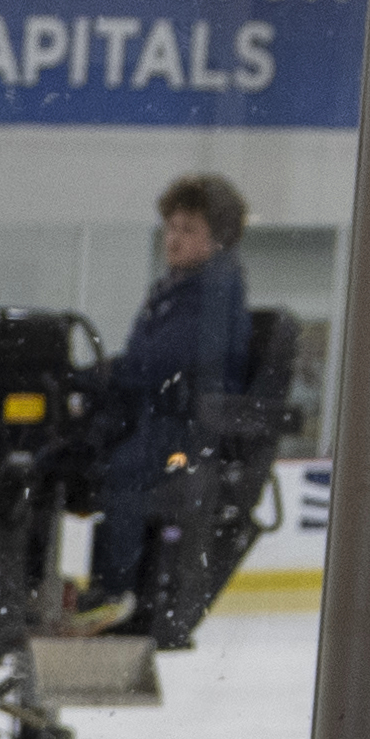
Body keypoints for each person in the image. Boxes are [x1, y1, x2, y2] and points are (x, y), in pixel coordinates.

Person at [76, 172, 253, 643]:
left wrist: (105, 377)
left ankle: (116, 589)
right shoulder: (175, 287)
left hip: (188, 427)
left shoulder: (214, 290)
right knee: (72, 447)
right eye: (171, 227)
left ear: (217, 239)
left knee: (126, 466)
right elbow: (143, 359)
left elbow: (163, 362)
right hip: (161, 412)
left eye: (188, 229)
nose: (173, 238)